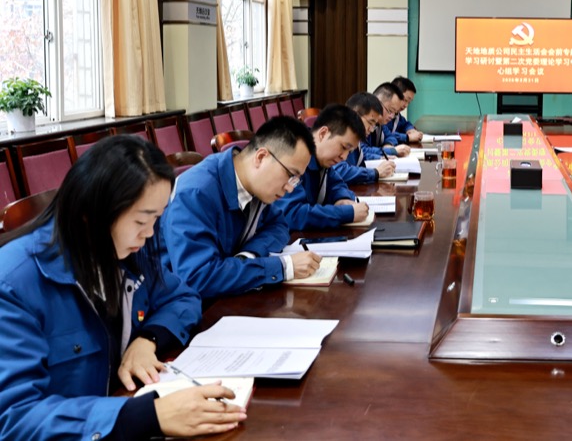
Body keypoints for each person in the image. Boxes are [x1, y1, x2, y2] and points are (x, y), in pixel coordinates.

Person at [0, 136, 246, 439]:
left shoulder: (126, 252)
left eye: (156, 218)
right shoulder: (13, 283)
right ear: (92, 213)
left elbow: (182, 297)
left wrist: (148, 339)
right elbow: (14, 418)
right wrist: (148, 415)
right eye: (142, 221)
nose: (150, 233)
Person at [160, 116, 322, 299]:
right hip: (180, 304)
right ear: (261, 157)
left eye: (296, 179)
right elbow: (197, 278)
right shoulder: (195, 194)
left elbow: (278, 226)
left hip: (227, 296)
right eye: (291, 175)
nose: (290, 187)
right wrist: (283, 267)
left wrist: (249, 255)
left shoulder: (256, 185)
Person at [271, 104, 369, 229]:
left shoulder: (323, 161)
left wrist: (342, 199)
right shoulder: (292, 157)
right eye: (344, 147)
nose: (344, 157)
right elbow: (292, 213)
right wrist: (345, 214)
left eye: (349, 152)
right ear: (323, 134)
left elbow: (336, 184)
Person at [338, 91, 396, 185]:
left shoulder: (354, 138)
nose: (371, 130)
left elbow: (360, 156)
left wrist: (380, 158)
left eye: (374, 125)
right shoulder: (338, 135)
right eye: (370, 123)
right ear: (355, 114)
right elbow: (339, 171)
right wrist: (375, 172)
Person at [369, 82, 411, 156]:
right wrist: (391, 151)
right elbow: (363, 151)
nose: (392, 116)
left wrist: (388, 144)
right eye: (390, 111)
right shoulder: (363, 122)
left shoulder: (380, 123)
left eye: (395, 113)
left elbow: (391, 136)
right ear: (377, 103)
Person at [389, 76, 425, 144]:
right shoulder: (384, 114)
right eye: (405, 100)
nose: (406, 105)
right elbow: (387, 135)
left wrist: (410, 130)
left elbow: (405, 124)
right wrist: (408, 137)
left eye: (409, 102)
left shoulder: (397, 114)